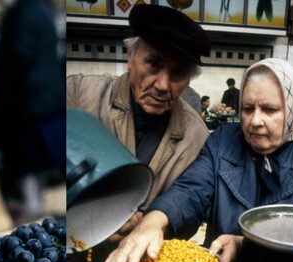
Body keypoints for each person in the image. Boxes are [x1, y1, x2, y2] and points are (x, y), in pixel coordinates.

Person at [104, 58, 293, 262]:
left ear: (292, 108)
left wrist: (244, 245)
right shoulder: (223, 140)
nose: (254, 121)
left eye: (269, 110)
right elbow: (192, 188)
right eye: (247, 108)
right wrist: (154, 221)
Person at [67, 4, 210, 242]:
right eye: (154, 63)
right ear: (130, 57)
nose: (163, 85)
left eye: (178, 73)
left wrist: (154, 223)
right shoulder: (77, 95)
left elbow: (192, 216)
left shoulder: (197, 138)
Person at [0, 0, 65, 222]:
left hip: (27, 101)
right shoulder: (40, 9)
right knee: (39, 159)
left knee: (25, 159)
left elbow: (19, 55)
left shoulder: (19, 13)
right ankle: (36, 204)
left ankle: (31, 208)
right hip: (48, 98)